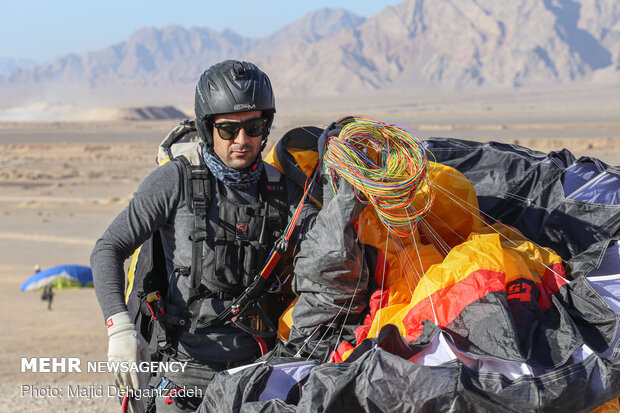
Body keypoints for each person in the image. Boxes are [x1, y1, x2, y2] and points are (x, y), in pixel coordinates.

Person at [91, 60, 320, 412]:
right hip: (183, 372)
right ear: (207, 127)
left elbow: (326, 256)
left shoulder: (284, 191)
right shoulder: (174, 182)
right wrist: (119, 326)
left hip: (258, 374)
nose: (243, 141)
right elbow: (108, 248)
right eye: (228, 129)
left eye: (255, 127)